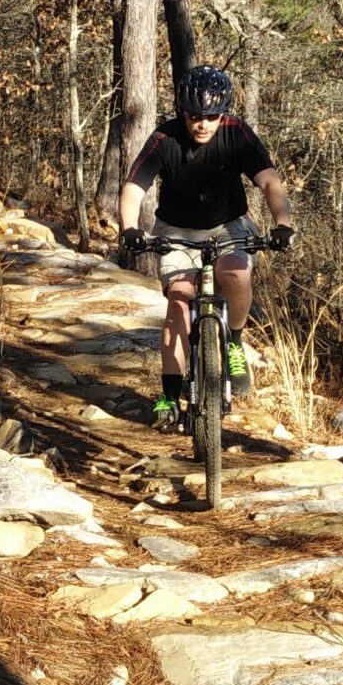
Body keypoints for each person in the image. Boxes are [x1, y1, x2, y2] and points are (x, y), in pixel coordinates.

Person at [116, 64, 294, 430]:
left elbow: (270, 182)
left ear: (222, 113)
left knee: (237, 276)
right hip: (176, 229)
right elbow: (134, 188)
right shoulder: (165, 139)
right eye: (195, 116)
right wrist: (130, 227)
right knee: (179, 302)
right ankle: (168, 396)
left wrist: (283, 225)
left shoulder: (236, 133)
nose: (203, 124)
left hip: (229, 225)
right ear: (183, 111)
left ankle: (234, 344)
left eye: (211, 116)